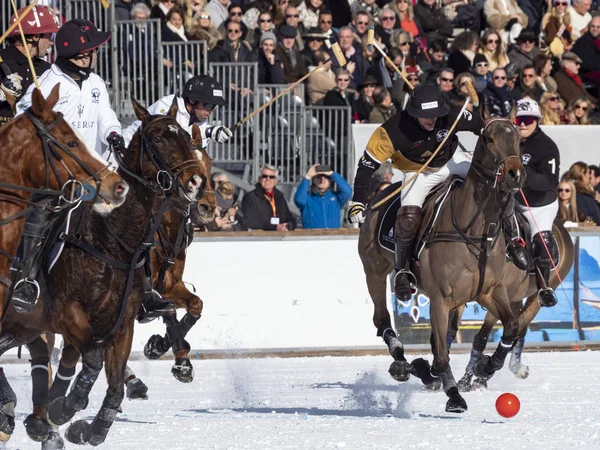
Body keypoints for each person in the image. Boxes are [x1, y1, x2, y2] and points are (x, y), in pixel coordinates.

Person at [348, 84, 483, 301]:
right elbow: (366, 166)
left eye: (435, 115)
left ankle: (509, 239)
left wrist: (491, 129)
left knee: (486, 185)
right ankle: (403, 270)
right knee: (408, 216)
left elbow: (481, 125)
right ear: (413, 113)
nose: (431, 120)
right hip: (417, 171)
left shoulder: (452, 114)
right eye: (424, 116)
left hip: (452, 160)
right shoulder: (391, 131)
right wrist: (357, 201)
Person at [510, 99, 561, 307]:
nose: (522, 124)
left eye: (528, 119)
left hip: (539, 205)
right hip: (511, 200)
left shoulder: (546, 147)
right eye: (519, 119)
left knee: (541, 240)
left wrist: (523, 173)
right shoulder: (508, 139)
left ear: (537, 120)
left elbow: (550, 182)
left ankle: (543, 287)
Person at [123, 74, 232, 149]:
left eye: (214, 106)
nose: (211, 110)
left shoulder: (204, 124)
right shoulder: (168, 104)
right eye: (208, 104)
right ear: (192, 100)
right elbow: (164, 134)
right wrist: (206, 133)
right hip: (124, 151)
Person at [0, 5, 58, 127]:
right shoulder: (1, 60)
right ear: (35, 37)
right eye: (50, 36)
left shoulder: (47, 70)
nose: (51, 42)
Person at [293, 164, 353, 229]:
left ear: (330, 182)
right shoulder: (308, 198)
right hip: (312, 237)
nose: (322, 179)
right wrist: (307, 177)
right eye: (319, 177)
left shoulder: (336, 198)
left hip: (334, 236)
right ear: (313, 181)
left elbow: (347, 191)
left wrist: (332, 174)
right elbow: (299, 200)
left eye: (326, 177)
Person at [242, 165, 297, 231]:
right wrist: (275, 227)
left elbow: (292, 220)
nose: (268, 179)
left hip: (279, 238)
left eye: (271, 177)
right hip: (261, 239)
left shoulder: (280, 198)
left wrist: (287, 226)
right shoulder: (250, 197)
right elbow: (250, 222)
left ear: (275, 181)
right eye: (264, 176)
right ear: (259, 179)